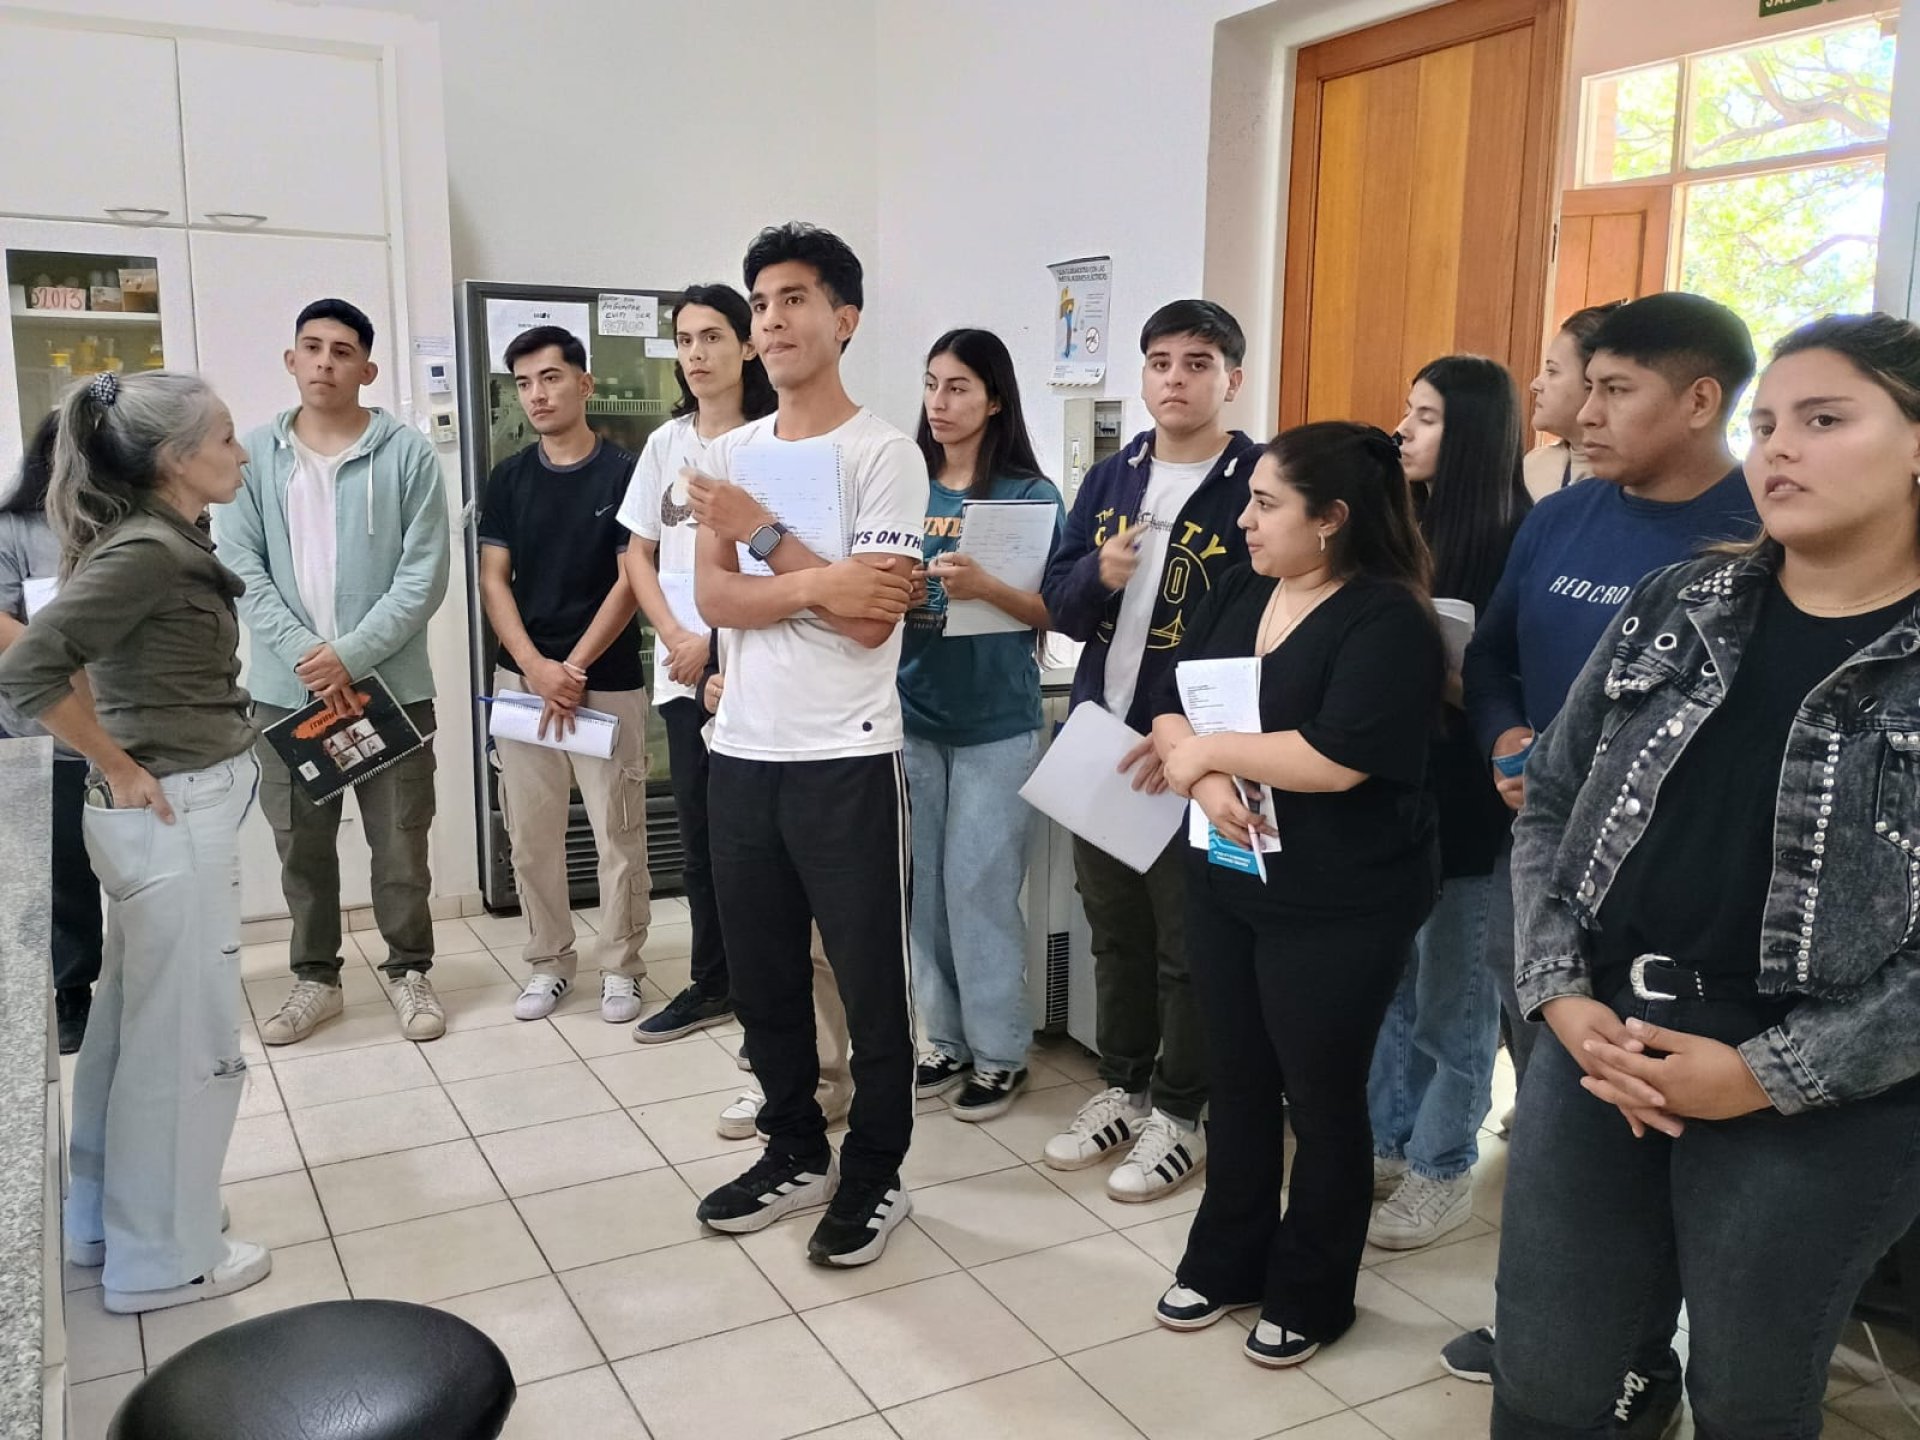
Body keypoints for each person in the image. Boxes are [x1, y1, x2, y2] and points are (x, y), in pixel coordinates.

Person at [1493, 312, 1920, 1436]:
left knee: (1746, 1396)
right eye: (1767, 423)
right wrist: (1559, 992)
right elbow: (1552, 804)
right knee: (1545, 1378)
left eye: (1824, 420)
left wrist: (1766, 1074)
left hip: (1819, 1093)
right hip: (1603, 1043)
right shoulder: (1682, 603)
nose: (1779, 448)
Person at [1444, 292, 1761, 1412]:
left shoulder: (1755, 532)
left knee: (1651, 1119)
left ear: (1701, 400)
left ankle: (1640, 1358)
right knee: (1553, 1106)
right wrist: (1504, 738)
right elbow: (1490, 656)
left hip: (1674, 904)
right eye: (1586, 386)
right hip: (1541, 867)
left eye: (1615, 391)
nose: (1581, 412)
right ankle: (1561, 1330)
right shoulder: (1564, 517)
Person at [1147, 421, 1443, 1367]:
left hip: (1339, 899)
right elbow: (1170, 698)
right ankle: (1227, 1257)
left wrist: (1203, 754)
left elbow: (1335, 757)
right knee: (1236, 1078)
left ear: (1331, 519)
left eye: (1267, 504)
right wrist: (1201, 779)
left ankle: (1313, 1291)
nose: (1245, 520)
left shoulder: (1386, 619)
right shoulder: (1245, 587)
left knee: (1319, 1096)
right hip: (1228, 872)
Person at [0, 371, 270, 1313]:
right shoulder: (147, 551)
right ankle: (163, 1258)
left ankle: (104, 1221)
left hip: (172, 809)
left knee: (132, 1024)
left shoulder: (152, 539)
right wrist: (113, 761)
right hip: (172, 810)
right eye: (226, 437)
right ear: (175, 459)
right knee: (184, 1039)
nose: (241, 453)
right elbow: (30, 667)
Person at [685, 222, 927, 1268]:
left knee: (871, 985)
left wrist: (765, 540)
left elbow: (873, 624)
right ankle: (792, 1148)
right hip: (742, 752)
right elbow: (711, 598)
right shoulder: (725, 456)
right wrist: (822, 579)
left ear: (844, 318)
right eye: (761, 304)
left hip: (849, 756)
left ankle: (876, 1170)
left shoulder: (884, 454)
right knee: (765, 976)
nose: (772, 321)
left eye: (794, 299)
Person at [1038, 299, 1260, 1202]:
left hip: (1193, 754)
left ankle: (1181, 1112)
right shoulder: (1112, 478)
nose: (1175, 379)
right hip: (1102, 741)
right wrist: (1098, 574)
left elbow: (1260, 626)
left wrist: (1188, 739)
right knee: (1114, 933)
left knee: (1186, 946)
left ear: (1231, 379)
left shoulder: (1256, 481)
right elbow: (1058, 606)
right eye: (1161, 362)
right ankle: (1123, 1087)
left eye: (1197, 364)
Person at [216, 298, 451, 1046]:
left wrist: (349, 655)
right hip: (287, 694)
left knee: (402, 842)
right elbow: (239, 566)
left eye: (342, 351)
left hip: (390, 690)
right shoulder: (253, 455)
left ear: (366, 370)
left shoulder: (407, 454)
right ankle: (316, 978)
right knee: (302, 847)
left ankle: (409, 971)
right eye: (312, 348)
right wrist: (308, 657)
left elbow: (424, 575)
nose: (325, 362)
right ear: (291, 361)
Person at [1367, 356, 1531, 1250]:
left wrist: (1440, 672)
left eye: (1425, 417)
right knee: (1391, 986)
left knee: (1453, 1000)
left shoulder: (1516, 541)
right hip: (1392, 793)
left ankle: (1442, 1166)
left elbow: (1517, 693)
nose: (1403, 431)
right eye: (1408, 410)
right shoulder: (1402, 527)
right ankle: (1390, 1143)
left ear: (1469, 434)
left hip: (1472, 805)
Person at [902, 328, 1062, 1121]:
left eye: (959, 386)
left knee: (980, 889)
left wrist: (986, 586)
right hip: (910, 715)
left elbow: (1054, 609)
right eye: (932, 384)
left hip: (997, 723)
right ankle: (944, 1039)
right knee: (922, 891)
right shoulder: (904, 487)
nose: (940, 401)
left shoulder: (1029, 496)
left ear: (995, 399)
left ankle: (999, 1054)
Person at [479, 324, 652, 1023]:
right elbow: (494, 579)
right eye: (523, 383)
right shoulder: (509, 477)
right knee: (530, 837)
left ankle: (621, 968)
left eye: (550, 378)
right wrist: (534, 667)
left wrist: (573, 667)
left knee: (618, 835)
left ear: (584, 383)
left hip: (605, 680)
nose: (537, 395)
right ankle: (548, 962)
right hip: (524, 685)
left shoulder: (626, 473)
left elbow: (633, 579)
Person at [620, 284, 776, 1041]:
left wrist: (709, 643)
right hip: (681, 671)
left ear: (748, 345)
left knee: (758, 844)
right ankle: (712, 983)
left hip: (752, 668)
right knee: (700, 840)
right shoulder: (666, 444)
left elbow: (780, 564)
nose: (696, 354)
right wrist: (676, 637)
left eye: (712, 337)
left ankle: (767, 996)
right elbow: (637, 555)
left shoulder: (772, 441)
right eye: (684, 340)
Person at [694, 666, 855, 1141]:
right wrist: (711, 681)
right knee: (766, 942)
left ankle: (824, 1080)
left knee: (822, 942)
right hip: (751, 752)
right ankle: (779, 1082)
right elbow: (727, 643)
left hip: (833, 751)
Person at [0, 411, 103, 1053]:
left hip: (124, 727)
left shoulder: (125, 523)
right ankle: (73, 991)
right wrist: (65, 650)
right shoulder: (14, 528)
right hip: (43, 733)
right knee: (65, 875)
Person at [1522, 302, 1622, 500]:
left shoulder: (1631, 483)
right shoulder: (1533, 468)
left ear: (1594, 380)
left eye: (1552, 371)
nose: (1534, 385)